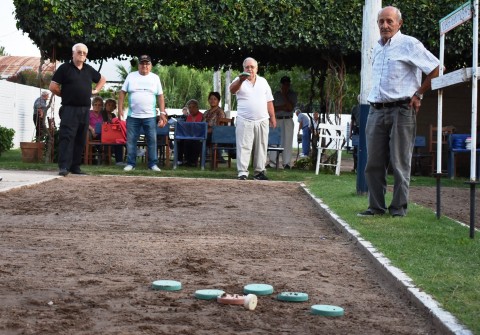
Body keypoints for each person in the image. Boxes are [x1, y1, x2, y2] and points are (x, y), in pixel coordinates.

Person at [358, 6, 440, 217]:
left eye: (389, 21)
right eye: (381, 22)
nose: (385, 25)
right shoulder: (377, 48)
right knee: (373, 163)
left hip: (402, 109)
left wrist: (419, 94)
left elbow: (437, 69)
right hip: (376, 110)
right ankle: (375, 207)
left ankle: (398, 209)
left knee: (400, 161)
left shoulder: (409, 44)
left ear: (399, 24)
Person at [49, 43, 106, 176]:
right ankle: (64, 167)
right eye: (79, 52)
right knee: (67, 137)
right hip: (69, 109)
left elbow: (102, 79)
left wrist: (96, 90)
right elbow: (53, 86)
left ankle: (75, 167)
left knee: (80, 139)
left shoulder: (88, 69)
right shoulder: (65, 68)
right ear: (73, 54)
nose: (82, 55)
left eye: (84, 53)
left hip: (85, 110)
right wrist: (65, 94)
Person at [229, 57, 276, 180]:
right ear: (243, 68)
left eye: (252, 67)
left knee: (261, 146)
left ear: (257, 68)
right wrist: (240, 80)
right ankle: (242, 172)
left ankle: (259, 172)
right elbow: (232, 90)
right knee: (244, 146)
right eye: (247, 67)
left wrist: (273, 117)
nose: (249, 69)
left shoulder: (263, 81)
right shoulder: (239, 80)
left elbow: (269, 101)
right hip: (244, 119)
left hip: (262, 120)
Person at [118, 54, 167, 172]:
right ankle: (131, 164)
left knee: (152, 140)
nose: (144, 65)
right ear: (138, 65)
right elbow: (122, 93)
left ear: (150, 65)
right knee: (131, 140)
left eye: (147, 63)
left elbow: (160, 96)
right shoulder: (131, 76)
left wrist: (162, 112)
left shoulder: (155, 78)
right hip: (133, 115)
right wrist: (120, 109)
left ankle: (153, 164)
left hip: (150, 116)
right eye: (142, 63)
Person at [268, 76, 297, 169]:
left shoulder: (292, 94)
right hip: (277, 119)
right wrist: (283, 107)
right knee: (273, 140)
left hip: (288, 119)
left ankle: (287, 163)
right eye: (284, 83)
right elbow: (272, 108)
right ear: (281, 84)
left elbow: (289, 108)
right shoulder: (276, 94)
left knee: (287, 141)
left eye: (287, 84)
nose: (286, 85)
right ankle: (272, 163)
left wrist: (284, 96)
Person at [203, 91, 227, 162]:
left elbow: (220, 127)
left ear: (218, 101)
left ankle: (215, 157)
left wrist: (208, 130)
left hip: (216, 134)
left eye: (215, 99)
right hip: (205, 132)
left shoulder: (220, 112)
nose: (212, 101)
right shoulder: (206, 112)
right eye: (210, 99)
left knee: (202, 138)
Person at [101, 98, 125, 165]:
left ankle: (119, 161)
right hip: (104, 133)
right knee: (113, 140)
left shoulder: (113, 115)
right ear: (105, 105)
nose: (110, 107)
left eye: (112, 106)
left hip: (112, 133)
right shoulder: (102, 113)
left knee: (119, 140)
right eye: (109, 105)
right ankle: (106, 158)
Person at [183, 99, 204, 167]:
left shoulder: (202, 116)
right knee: (183, 140)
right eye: (189, 108)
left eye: (193, 107)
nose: (191, 109)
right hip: (189, 135)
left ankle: (193, 161)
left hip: (199, 135)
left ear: (197, 108)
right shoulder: (188, 117)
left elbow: (201, 127)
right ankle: (184, 160)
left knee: (195, 141)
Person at [350, 100, 360, 173]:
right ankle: (355, 167)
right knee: (356, 149)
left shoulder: (368, 107)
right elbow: (352, 121)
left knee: (359, 149)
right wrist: (350, 132)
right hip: (356, 130)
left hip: (363, 130)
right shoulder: (355, 108)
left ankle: (359, 167)